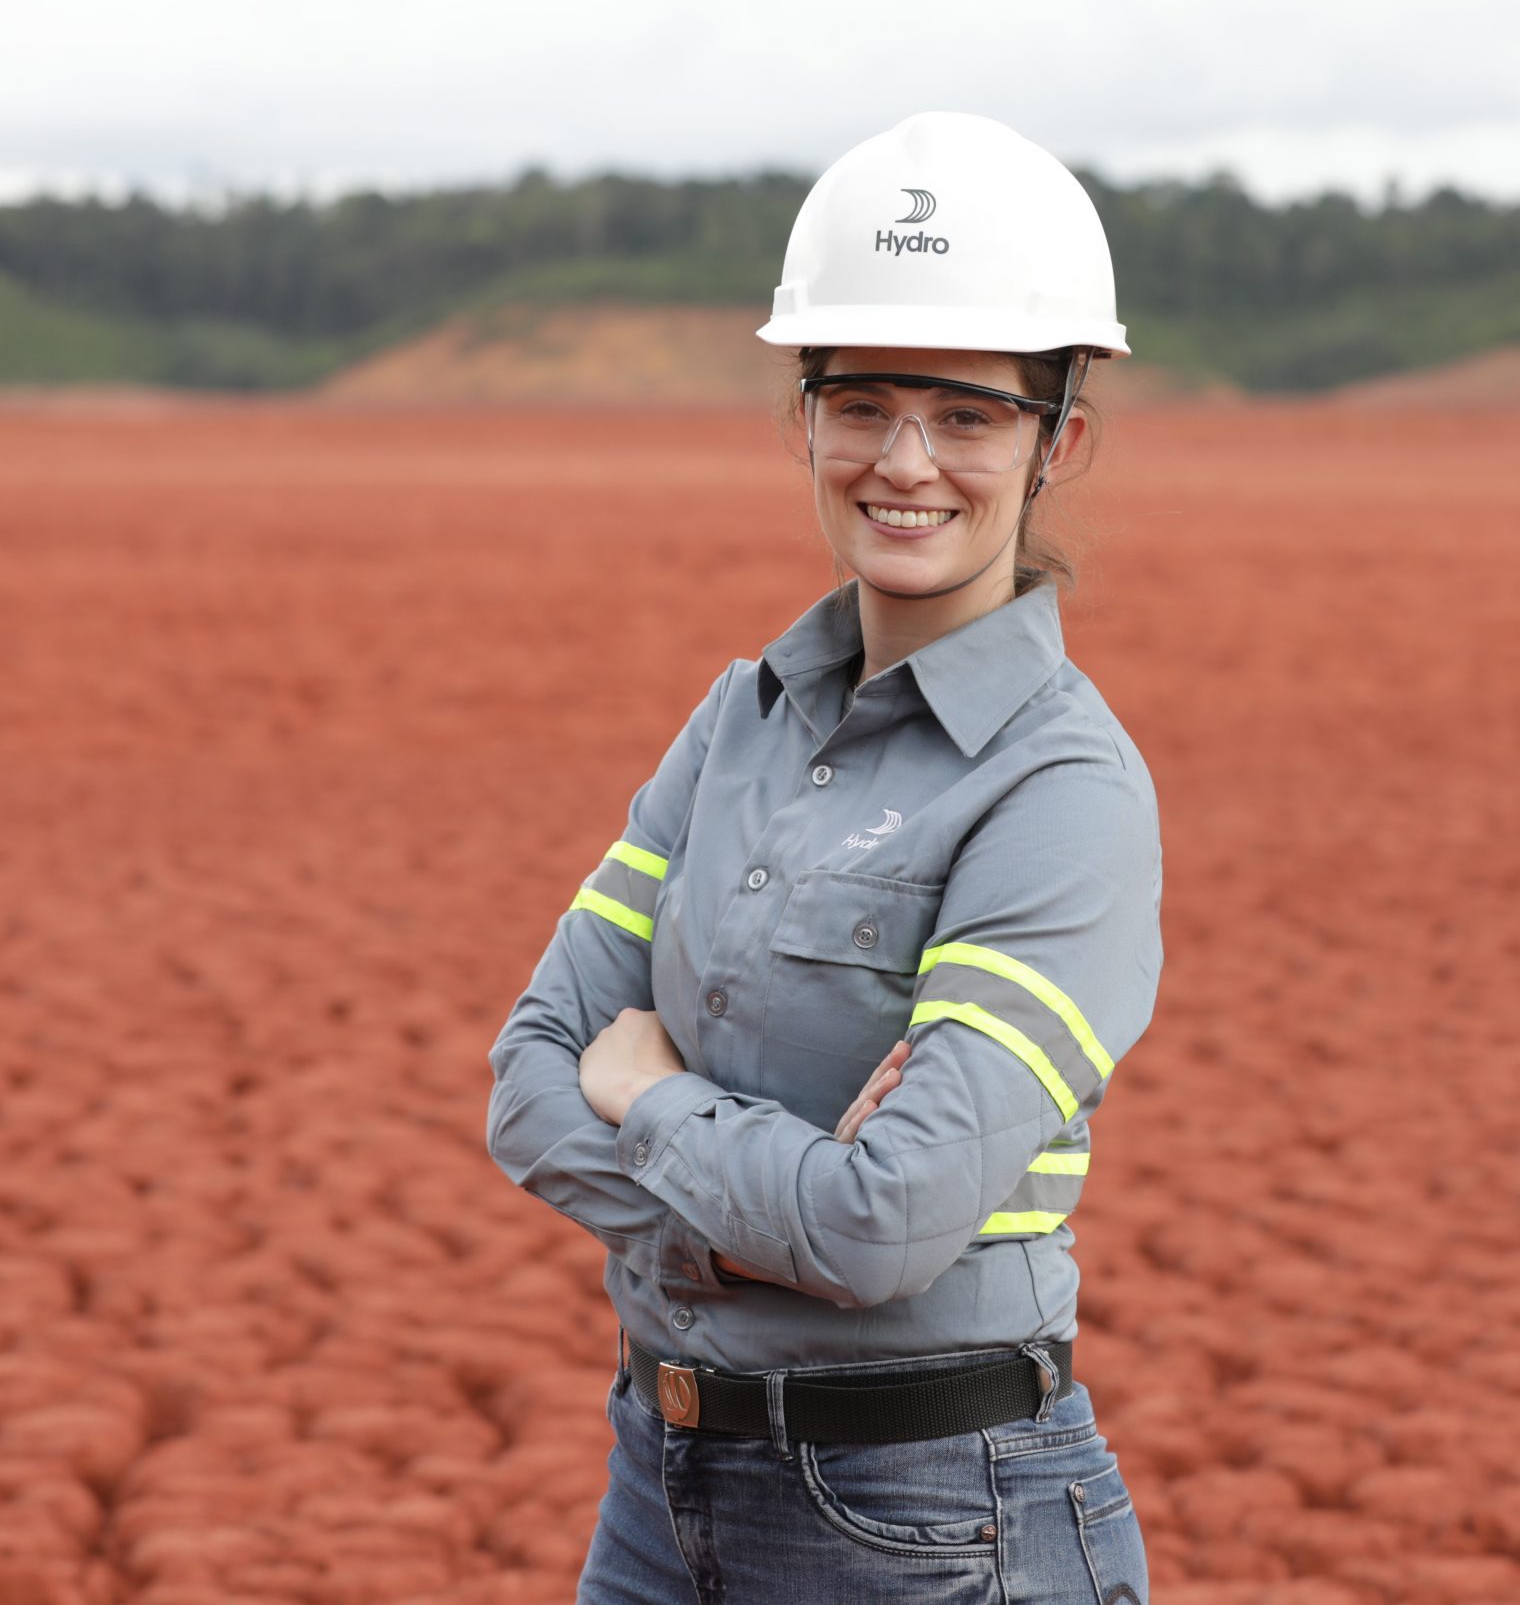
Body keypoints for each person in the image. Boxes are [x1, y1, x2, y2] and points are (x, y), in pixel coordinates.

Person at [486, 110, 1161, 1604]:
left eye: (970, 416)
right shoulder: (740, 721)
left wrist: (655, 1094)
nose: (904, 462)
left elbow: (888, 1227)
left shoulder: (1061, 791)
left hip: (931, 1524)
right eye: (860, 404)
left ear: (1061, 440)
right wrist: (780, 1213)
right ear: (803, 419)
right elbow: (530, 1081)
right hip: (659, 1495)